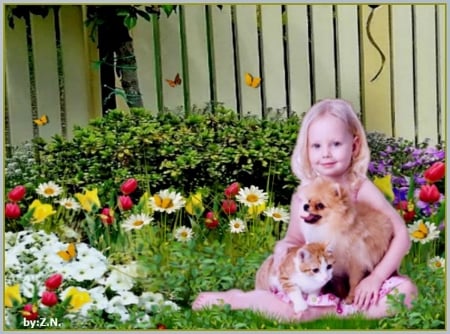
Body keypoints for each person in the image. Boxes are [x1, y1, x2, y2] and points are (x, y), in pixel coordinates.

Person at [192, 98, 417, 322]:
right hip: (317, 282)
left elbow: (401, 235)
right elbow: (293, 240)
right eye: (316, 146)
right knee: (290, 298)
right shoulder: (304, 195)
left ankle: (333, 310)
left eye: (336, 144)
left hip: (362, 280)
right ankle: (239, 300)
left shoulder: (359, 188)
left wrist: (376, 278)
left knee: (406, 292)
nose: (326, 153)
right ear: (306, 149)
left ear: (355, 146)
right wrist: (283, 251)